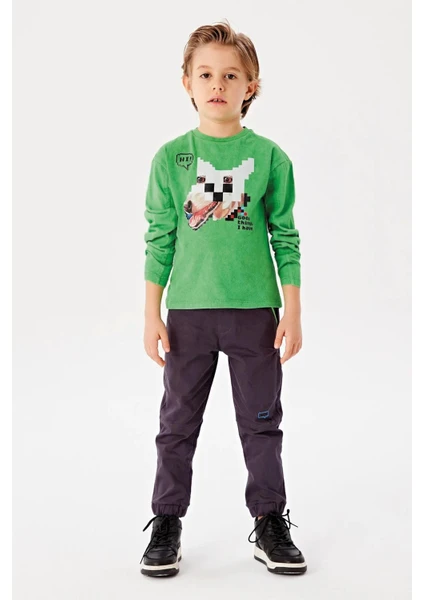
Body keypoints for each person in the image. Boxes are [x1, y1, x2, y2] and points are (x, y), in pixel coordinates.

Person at [140, 19, 307, 578]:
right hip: (187, 316)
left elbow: (285, 236)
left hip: (255, 314)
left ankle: (270, 520)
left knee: (261, 423)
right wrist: (151, 313)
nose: (218, 84)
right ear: (187, 82)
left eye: (231, 75)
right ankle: (166, 522)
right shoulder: (171, 159)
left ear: (250, 85)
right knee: (176, 425)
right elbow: (160, 238)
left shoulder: (270, 158)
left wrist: (292, 310)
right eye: (206, 74)